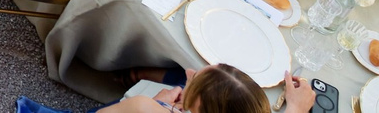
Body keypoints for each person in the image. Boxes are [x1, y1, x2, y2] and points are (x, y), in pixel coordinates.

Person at [109, 65, 312, 113]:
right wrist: (296, 108)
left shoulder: (142, 106)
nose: (189, 71)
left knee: (178, 77)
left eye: (194, 78)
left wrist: (158, 104)